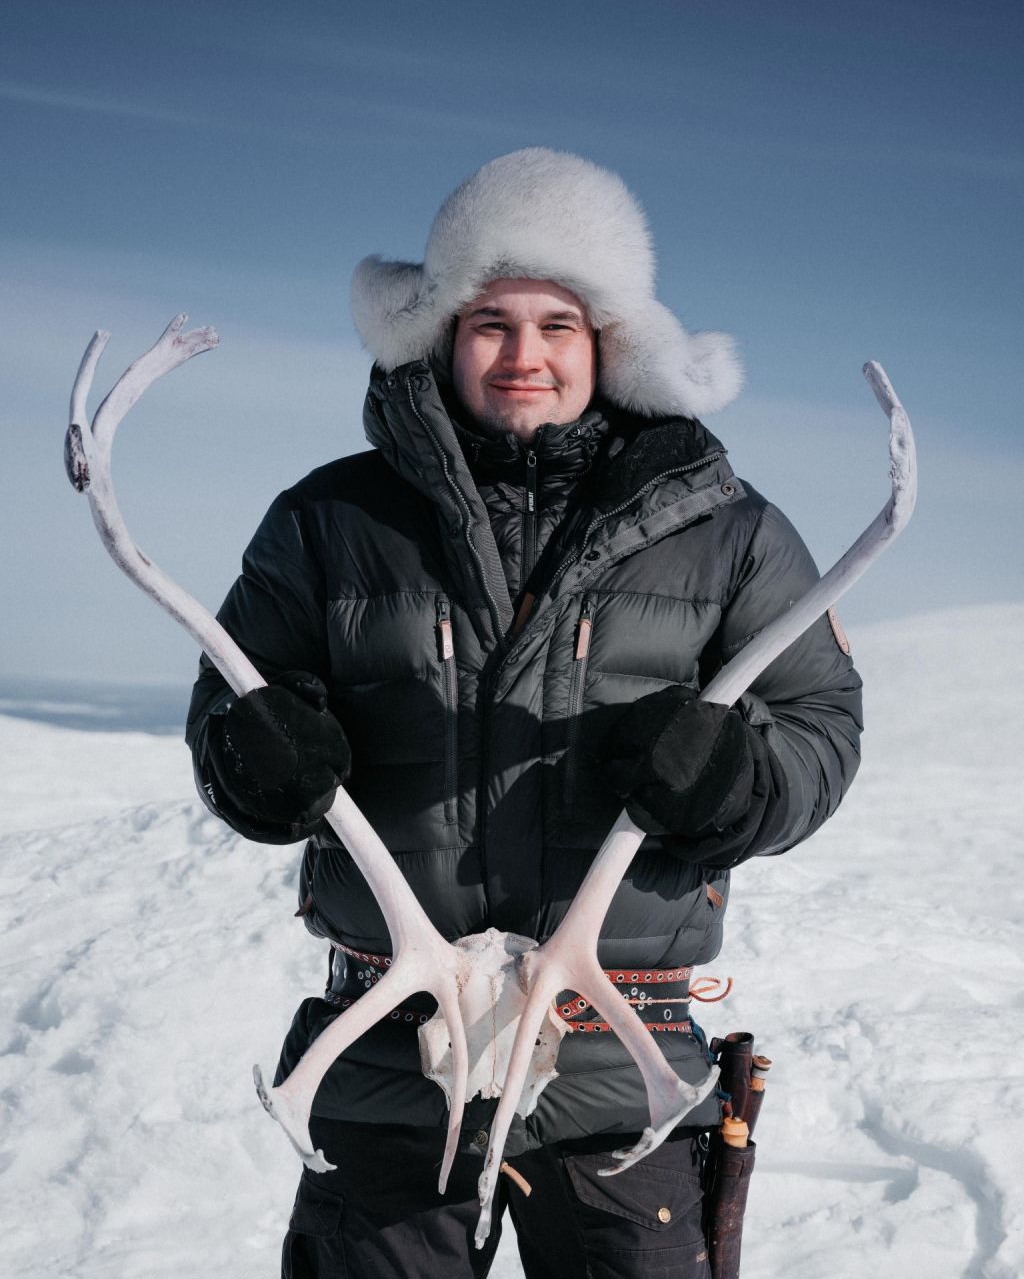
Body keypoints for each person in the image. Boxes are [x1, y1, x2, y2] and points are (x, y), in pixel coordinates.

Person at [186, 148, 862, 1279]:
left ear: (610, 342)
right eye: (490, 319)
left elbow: (818, 724)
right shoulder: (327, 518)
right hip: (392, 1053)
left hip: (620, 1064)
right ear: (442, 333)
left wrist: (735, 779)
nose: (523, 354)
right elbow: (227, 711)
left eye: (558, 323)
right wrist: (260, 757)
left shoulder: (732, 530)